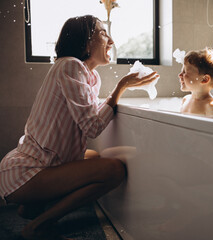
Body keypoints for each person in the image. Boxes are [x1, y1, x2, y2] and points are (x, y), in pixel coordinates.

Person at [0, 15, 158, 240]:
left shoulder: (90, 75)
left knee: (93, 156)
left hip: (39, 164)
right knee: (114, 170)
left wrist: (118, 91)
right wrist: (121, 87)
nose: (111, 40)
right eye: (103, 33)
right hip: (24, 173)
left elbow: (89, 117)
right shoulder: (70, 66)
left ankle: (33, 206)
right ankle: (40, 224)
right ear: (85, 41)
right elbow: (92, 127)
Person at [178, 48, 213, 116]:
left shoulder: (210, 106)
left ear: (205, 79)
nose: (180, 75)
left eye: (185, 72)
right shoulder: (185, 100)